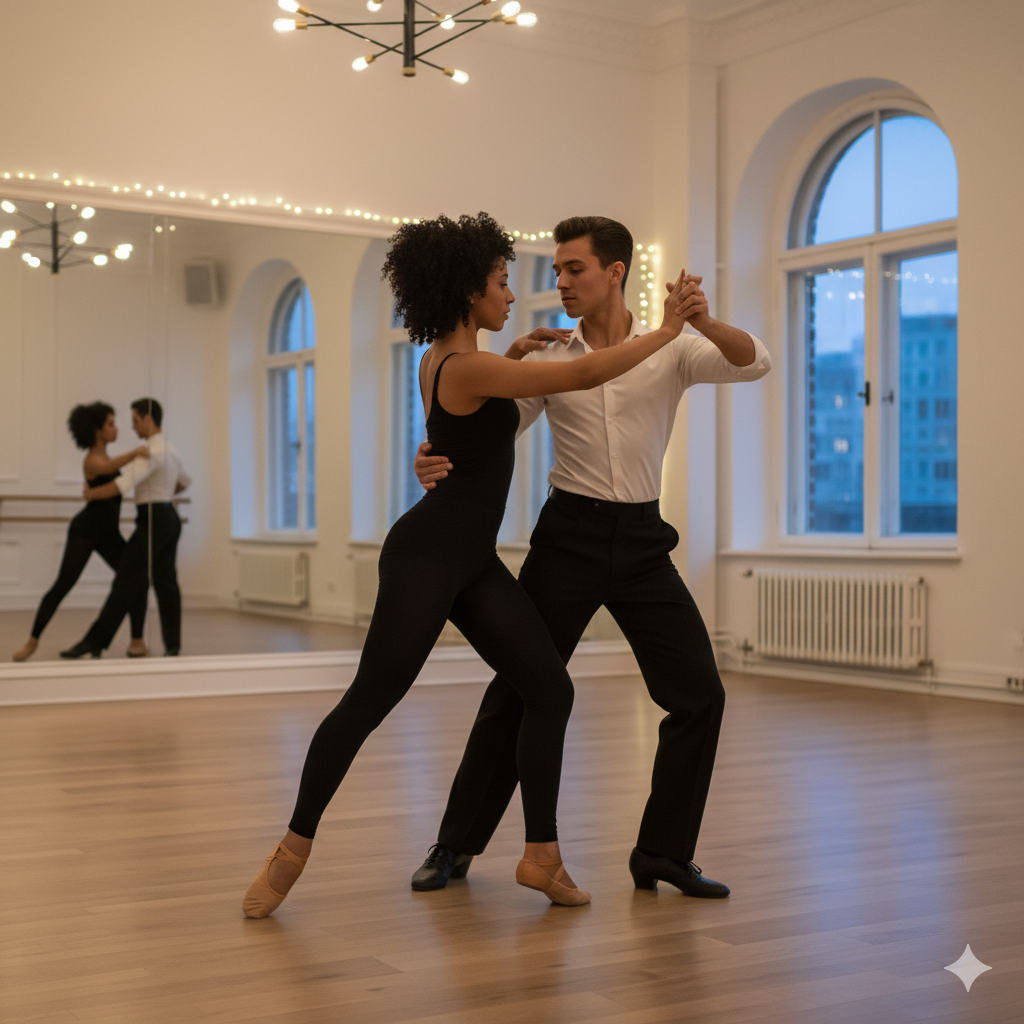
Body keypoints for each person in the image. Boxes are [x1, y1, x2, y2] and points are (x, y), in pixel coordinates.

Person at [241, 212, 702, 918]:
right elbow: (577, 372)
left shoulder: (444, 360)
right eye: (500, 281)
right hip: (425, 558)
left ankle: (541, 855)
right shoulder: (466, 366)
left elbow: (475, 419)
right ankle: (292, 847)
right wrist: (666, 333)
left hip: (473, 563)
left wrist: (514, 350)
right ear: (466, 291)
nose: (513, 294)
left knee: (549, 689)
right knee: (370, 700)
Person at [410, 216, 771, 899]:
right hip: (567, 539)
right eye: (556, 270)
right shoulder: (548, 358)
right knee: (518, 693)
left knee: (701, 696)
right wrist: (431, 454)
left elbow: (756, 361)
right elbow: (489, 431)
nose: (561, 282)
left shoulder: (674, 350)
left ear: (615, 271)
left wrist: (703, 320)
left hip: (642, 544)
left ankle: (662, 853)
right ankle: (454, 844)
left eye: (574, 268)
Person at [12, 403, 150, 662]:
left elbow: (113, 477)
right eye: (110, 423)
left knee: (137, 579)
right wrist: (136, 453)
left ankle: (137, 641)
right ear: (97, 431)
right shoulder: (93, 459)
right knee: (63, 585)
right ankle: (32, 641)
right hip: (85, 532)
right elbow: (108, 471)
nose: (116, 428)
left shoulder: (107, 458)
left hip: (108, 534)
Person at [59, 398, 190, 659]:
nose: (132, 427)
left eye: (134, 421)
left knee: (125, 581)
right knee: (166, 583)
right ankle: (172, 645)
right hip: (167, 518)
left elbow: (123, 484)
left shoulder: (150, 450)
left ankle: (93, 642)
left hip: (153, 519)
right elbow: (184, 482)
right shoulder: (170, 448)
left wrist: (91, 494)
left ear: (147, 419)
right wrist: (164, 494)